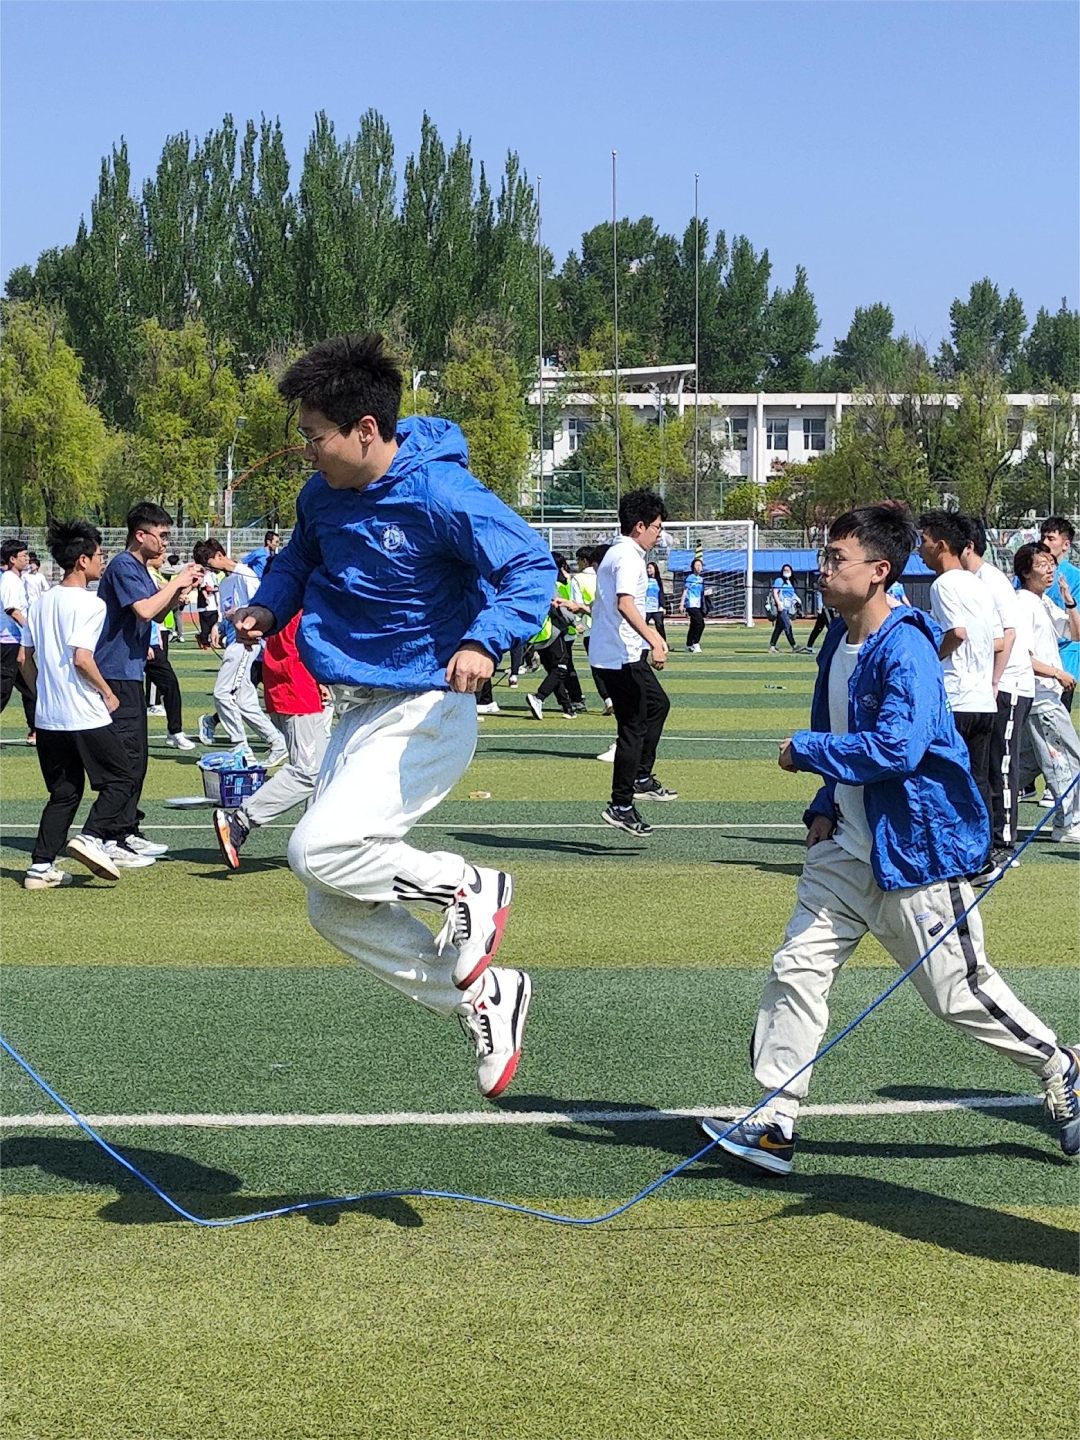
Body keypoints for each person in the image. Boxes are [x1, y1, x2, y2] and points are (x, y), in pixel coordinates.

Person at [699, 503, 1079, 1173]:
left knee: (959, 996)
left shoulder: (906, 646)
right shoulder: (837, 640)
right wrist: (824, 803)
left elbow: (897, 748)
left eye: (835, 559)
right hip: (845, 849)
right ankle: (775, 1119)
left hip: (914, 851)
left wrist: (807, 752)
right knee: (796, 968)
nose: (822, 570)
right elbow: (838, 723)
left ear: (878, 571)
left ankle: (1061, 1066)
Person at [228, 332, 554, 1099]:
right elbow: (298, 560)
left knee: (317, 849)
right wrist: (268, 607)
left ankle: (469, 886)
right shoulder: (320, 498)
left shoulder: (440, 492)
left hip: (426, 704)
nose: (306, 450)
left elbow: (530, 564)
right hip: (353, 710)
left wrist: (483, 638)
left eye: (315, 436)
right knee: (330, 902)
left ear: (366, 429)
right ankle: (482, 998)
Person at [21, 520, 130, 889]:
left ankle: (40, 868)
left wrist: (42, 693)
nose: (102, 561)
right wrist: (108, 692)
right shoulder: (91, 603)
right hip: (84, 713)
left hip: (48, 718)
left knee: (64, 793)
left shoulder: (39, 602)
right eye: (99, 555)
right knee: (121, 778)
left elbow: (23, 659)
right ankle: (91, 837)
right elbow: (82, 658)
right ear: (83, 560)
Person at [93, 503, 203, 868]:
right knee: (127, 758)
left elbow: (156, 613)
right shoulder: (124, 565)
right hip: (115, 673)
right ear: (141, 534)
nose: (165, 542)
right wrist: (176, 582)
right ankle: (109, 836)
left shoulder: (139, 568)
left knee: (137, 757)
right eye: (162, 534)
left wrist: (177, 594)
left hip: (130, 671)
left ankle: (126, 829)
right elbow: (143, 610)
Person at [589, 490, 677, 836]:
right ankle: (621, 804)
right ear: (639, 526)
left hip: (621, 653)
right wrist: (653, 638)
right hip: (618, 657)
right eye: (656, 527)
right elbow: (625, 603)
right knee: (633, 727)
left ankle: (640, 777)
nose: (659, 534)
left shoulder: (622, 553)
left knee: (657, 705)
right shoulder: (627, 556)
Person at [213, 613, 332, 868]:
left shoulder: (287, 597)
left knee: (324, 771)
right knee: (308, 772)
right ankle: (241, 820)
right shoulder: (304, 599)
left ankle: (314, 845)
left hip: (292, 683)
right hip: (297, 687)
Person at [959, 515, 1034, 869]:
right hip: (989, 685)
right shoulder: (971, 580)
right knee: (984, 766)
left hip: (1008, 684)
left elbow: (1009, 634)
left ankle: (1004, 842)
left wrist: (992, 681)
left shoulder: (991, 581)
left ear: (967, 546)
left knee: (1001, 765)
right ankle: (984, 839)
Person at [919, 511, 999, 834]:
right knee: (979, 780)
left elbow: (957, 632)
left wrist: (930, 659)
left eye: (923, 541)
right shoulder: (979, 585)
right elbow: (996, 639)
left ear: (941, 546)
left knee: (944, 779)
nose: (919, 549)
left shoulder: (943, 584)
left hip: (956, 696)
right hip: (983, 700)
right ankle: (984, 850)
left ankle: (950, 848)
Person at [192, 539, 287, 765]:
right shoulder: (225, 583)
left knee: (223, 693)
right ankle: (277, 742)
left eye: (209, 563)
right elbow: (226, 613)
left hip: (246, 643)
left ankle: (241, 747)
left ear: (219, 555)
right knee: (245, 700)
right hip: (233, 642)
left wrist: (238, 614)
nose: (210, 569)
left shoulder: (245, 574)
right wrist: (217, 626)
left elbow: (260, 607)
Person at [1012, 542, 1080, 843]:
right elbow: (1023, 656)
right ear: (1026, 572)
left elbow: (1075, 633)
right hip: (1041, 696)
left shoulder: (1043, 603)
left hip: (1044, 696)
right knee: (1065, 758)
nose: (1050, 570)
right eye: (1042, 565)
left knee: (1025, 763)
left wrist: (1070, 602)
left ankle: (989, 811)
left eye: (1051, 564)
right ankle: (1068, 821)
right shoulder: (1023, 603)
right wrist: (1056, 673)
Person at [145, 558, 195, 750]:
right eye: (160, 552)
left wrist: (187, 585)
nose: (162, 555)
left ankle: (175, 732)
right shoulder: (142, 574)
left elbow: (167, 593)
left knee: (170, 685)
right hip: (140, 645)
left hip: (152, 641)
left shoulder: (152, 575)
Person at [1040, 517, 1080, 710]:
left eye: (1050, 538)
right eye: (1043, 537)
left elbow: (1075, 624)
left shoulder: (1074, 577)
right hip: (1036, 657)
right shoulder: (1028, 572)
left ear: (1065, 545)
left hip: (1063, 657)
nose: (1044, 543)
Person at [0, 538, 36, 741]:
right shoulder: (9, 580)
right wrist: (31, 629)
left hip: (17, 641)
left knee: (31, 686)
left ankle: (36, 730)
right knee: (3, 690)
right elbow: (12, 610)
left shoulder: (17, 579)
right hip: (8, 642)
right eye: (23, 555)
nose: (27, 559)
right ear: (12, 559)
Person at [575, 545, 613, 715]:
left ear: (585, 561)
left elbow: (578, 604)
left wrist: (576, 621)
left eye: (578, 560)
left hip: (591, 629)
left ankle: (608, 699)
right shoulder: (607, 576)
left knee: (597, 668)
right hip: (609, 627)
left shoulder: (578, 579)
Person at [552, 552, 587, 711]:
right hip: (570, 627)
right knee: (565, 665)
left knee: (560, 667)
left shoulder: (556, 583)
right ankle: (572, 698)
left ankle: (573, 698)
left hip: (562, 627)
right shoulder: (567, 581)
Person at [768, 563, 801, 653]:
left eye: (788, 570)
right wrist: (779, 604)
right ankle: (794, 645)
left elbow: (791, 595)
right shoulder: (779, 580)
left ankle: (772, 646)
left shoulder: (790, 582)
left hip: (787, 607)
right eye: (784, 570)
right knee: (787, 626)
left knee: (779, 628)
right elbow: (775, 592)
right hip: (782, 607)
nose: (786, 572)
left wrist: (796, 601)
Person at [680, 557, 707, 652]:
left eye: (700, 566)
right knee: (700, 623)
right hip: (691, 604)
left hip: (698, 604)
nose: (699, 567)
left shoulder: (701, 579)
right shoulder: (690, 578)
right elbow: (685, 591)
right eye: (697, 565)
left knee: (694, 625)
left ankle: (689, 644)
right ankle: (696, 643)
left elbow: (701, 592)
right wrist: (682, 604)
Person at [645, 561, 668, 641]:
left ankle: (663, 643)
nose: (648, 570)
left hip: (657, 608)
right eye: (647, 568)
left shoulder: (658, 581)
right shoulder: (644, 580)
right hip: (646, 608)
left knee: (660, 626)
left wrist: (663, 606)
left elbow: (661, 593)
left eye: (650, 568)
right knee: (643, 626)